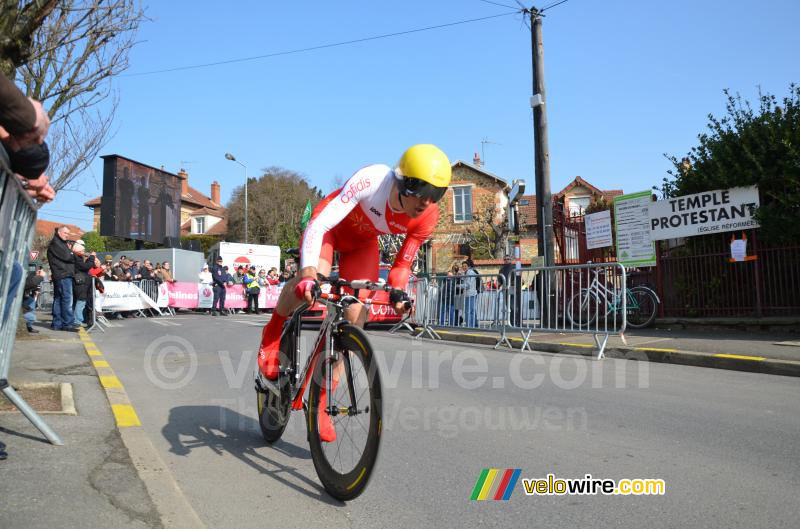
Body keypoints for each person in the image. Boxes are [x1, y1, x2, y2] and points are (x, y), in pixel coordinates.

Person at [256, 144, 451, 442]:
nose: (427, 202)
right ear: (403, 182)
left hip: (362, 245)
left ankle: (320, 403)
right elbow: (321, 224)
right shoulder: (373, 180)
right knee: (309, 283)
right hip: (330, 231)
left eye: (436, 194)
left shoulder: (427, 216)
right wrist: (308, 273)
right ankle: (272, 333)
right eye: (423, 190)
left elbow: (402, 266)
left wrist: (398, 293)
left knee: (355, 316)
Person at [46, 226, 77, 331]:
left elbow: (68, 256)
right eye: (65, 233)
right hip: (63, 274)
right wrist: (73, 253)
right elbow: (68, 256)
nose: (67, 235)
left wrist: (70, 253)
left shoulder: (60, 243)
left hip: (61, 274)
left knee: (59, 299)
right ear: (59, 232)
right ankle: (67, 324)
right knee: (66, 299)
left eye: (68, 233)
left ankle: (57, 323)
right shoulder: (56, 243)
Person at [461, 259, 479, 328]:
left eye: (465, 266)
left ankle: (470, 325)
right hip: (468, 294)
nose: (464, 267)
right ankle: (474, 325)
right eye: (463, 266)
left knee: (468, 311)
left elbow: (468, 285)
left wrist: (458, 286)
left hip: (471, 294)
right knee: (471, 310)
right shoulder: (465, 273)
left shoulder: (470, 273)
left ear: (468, 266)